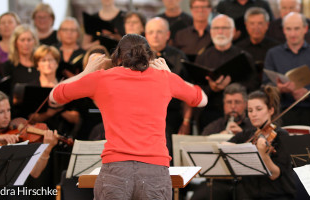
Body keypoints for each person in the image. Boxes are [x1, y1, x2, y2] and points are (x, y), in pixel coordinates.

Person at [49, 34, 208, 199]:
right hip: (154, 170)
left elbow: (54, 96)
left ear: (117, 56)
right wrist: (169, 74)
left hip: (115, 169)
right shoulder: (164, 79)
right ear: (149, 57)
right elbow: (202, 99)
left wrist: (86, 72)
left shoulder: (101, 79)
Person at [226, 85, 297, 199]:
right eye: (250, 110)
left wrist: (264, 156)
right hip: (249, 195)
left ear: (270, 110)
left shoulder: (281, 136)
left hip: (275, 195)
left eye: (259, 109)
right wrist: (243, 148)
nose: (253, 114)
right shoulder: (247, 134)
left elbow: (275, 175)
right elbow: (224, 145)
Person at [264, 12, 310, 126]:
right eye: (289, 29)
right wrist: (279, 89)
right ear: (283, 30)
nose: (293, 34)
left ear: (305, 29)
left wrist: (307, 93)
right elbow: (264, 87)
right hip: (283, 112)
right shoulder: (273, 54)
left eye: (296, 29)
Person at [195, 14, 258, 129]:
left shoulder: (244, 57)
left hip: (239, 114)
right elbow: (196, 88)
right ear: (211, 31)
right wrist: (211, 87)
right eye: (216, 28)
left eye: (224, 28)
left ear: (233, 31)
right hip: (210, 112)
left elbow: (253, 85)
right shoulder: (202, 58)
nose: (220, 32)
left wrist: (231, 86)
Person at [145, 17, 193, 138]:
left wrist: (186, 121)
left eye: (159, 31)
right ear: (145, 35)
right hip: (143, 116)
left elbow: (188, 90)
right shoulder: (138, 57)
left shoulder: (179, 56)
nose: (155, 35)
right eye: (151, 32)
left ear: (167, 34)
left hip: (172, 115)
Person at [3, 24, 40, 89]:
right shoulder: (8, 66)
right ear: (15, 43)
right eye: (22, 40)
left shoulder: (41, 64)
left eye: (29, 40)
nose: (26, 43)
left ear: (35, 41)